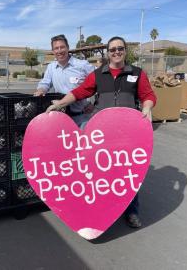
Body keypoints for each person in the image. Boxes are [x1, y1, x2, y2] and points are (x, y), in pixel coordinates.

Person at [47, 36, 157, 228]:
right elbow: (81, 91)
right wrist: (60, 104)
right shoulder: (98, 74)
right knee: (99, 172)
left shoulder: (137, 73)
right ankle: (102, 209)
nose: (116, 52)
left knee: (128, 173)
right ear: (108, 53)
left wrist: (147, 107)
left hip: (127, 134)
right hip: (101, 133)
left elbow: (148, 95)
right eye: (113, 49)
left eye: (120, 48)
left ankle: (131, 211)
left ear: (125, 51)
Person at [34, 34, 95, 127]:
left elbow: (101, 80)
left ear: (67, 48)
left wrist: (95, 104)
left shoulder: (82, 65)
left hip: (81, 119)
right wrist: (41, 90)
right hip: (60, 118)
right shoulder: (51, 67)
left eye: (62, 47)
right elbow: (45, 83)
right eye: (56, 48)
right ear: (53, 51)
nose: (59, 51)